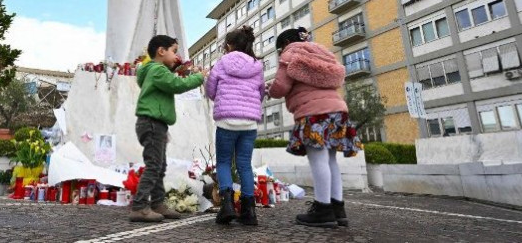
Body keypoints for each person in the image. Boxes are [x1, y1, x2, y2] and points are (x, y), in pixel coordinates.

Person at [267, 27, 358, 228]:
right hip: (338, 110)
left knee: (318, 160)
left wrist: (269, 90)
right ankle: (337, 209)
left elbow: (280, 87)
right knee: (331, 160)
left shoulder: (290, 52)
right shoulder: (322, 52)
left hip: (314, 113)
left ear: (284, 44)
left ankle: (323, 209)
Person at [129, 35, 206, 223]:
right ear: (161, 51)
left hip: (155, 124)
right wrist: (199, 77)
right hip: (152, 123)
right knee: (154, 165)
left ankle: (157, 204)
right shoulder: (156, 70)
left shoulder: (152, 71)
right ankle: (139, 206)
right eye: (174, 51)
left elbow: (169, 81)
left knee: (159, 166)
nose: (176, 56)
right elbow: (176, 84)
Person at [205, 26, 264, 226]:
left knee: (223, 162)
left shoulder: (222, 63)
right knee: (244, 165)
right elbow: (261, 91)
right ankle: (249, 212)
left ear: (229, 46)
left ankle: (227, 206)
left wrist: (220, 97)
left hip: (226, 120)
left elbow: (211, 89)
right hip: (249, 123)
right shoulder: (257, 65)